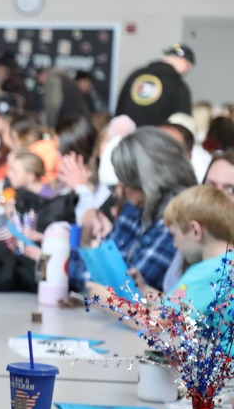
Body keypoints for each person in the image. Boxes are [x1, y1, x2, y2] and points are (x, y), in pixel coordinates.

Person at [78, 127, 198, 292]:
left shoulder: (176, 221)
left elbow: (125, 288)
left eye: (129, 181)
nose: (122, 187)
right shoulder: (135, 204)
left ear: (154, 179)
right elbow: (104, 269)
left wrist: (65, 265)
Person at [160, 185, 234, 314]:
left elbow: (155, 321)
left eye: (174, 235)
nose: (174, 244)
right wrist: (144, 289)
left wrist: (112, 299)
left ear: (195, 231)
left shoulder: (207, 273)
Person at [115, 43, 195, 127]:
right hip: (157, 138)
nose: (186, 72)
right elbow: (182, 123)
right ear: (183, 62)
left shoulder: (136, 75)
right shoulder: (179, 86)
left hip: (129, 136)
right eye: (188, 68)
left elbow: (120, 108)